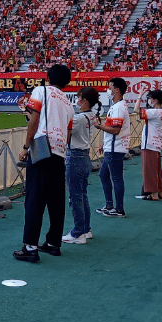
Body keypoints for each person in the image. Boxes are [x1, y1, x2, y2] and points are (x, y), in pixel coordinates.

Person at [14, 65, 74, 262]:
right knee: (56, 200)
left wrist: (26, 146)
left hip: (41, 146)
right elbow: (69, 133)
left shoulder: (41, 90)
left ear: (47, 77)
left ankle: (30, 247)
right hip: (59, 151)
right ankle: (53, 243)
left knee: (34, 198)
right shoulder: (68, 103)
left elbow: (34, 119)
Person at [63, 87, 100, 244]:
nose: (77, 102)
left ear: (85, 101)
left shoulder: (78, 119)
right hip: (84, 157)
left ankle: (78, 232)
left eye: (78, 99)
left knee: (76, 196)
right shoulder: (91, 116)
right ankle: (85, 229)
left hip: (76, 157)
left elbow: (65, 134)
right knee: (82, 195)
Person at [96, 77, 130, 218]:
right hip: (112, 147)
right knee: (104, 175)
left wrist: (99, 126)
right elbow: (113, 128)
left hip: (116, 148)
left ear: (116, 90)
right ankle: (110, 205)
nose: (108, 90)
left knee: (116, 178)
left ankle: (119, 209)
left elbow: (115, 130)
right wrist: (105, 143)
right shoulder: (116, 106)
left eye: (109, 87)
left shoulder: (118, 107)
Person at [138, 89, 162, 201]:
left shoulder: (154, 112)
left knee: (149, 170)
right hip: (157, 143)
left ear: (155, 100)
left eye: (151, 99)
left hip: (150, 143)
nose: (150, 101)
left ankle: (153, 193)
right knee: (156, 170)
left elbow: (137, 111)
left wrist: (139, 96)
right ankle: (161, 191)